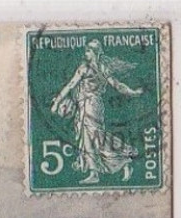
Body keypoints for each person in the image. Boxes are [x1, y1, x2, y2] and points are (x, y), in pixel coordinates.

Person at [50, 40, 142, 185]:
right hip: (96, 105)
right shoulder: (103, 68)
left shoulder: (84, 68)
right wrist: (133, 92)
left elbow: (70, 85)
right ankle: (124, 158)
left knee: (89, 138)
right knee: (98, 137)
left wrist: (56, 102)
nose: (85, 53)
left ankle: (95, 173)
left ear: (94, 53)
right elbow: (118, 85)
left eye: (88, 51)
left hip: (88, 105)